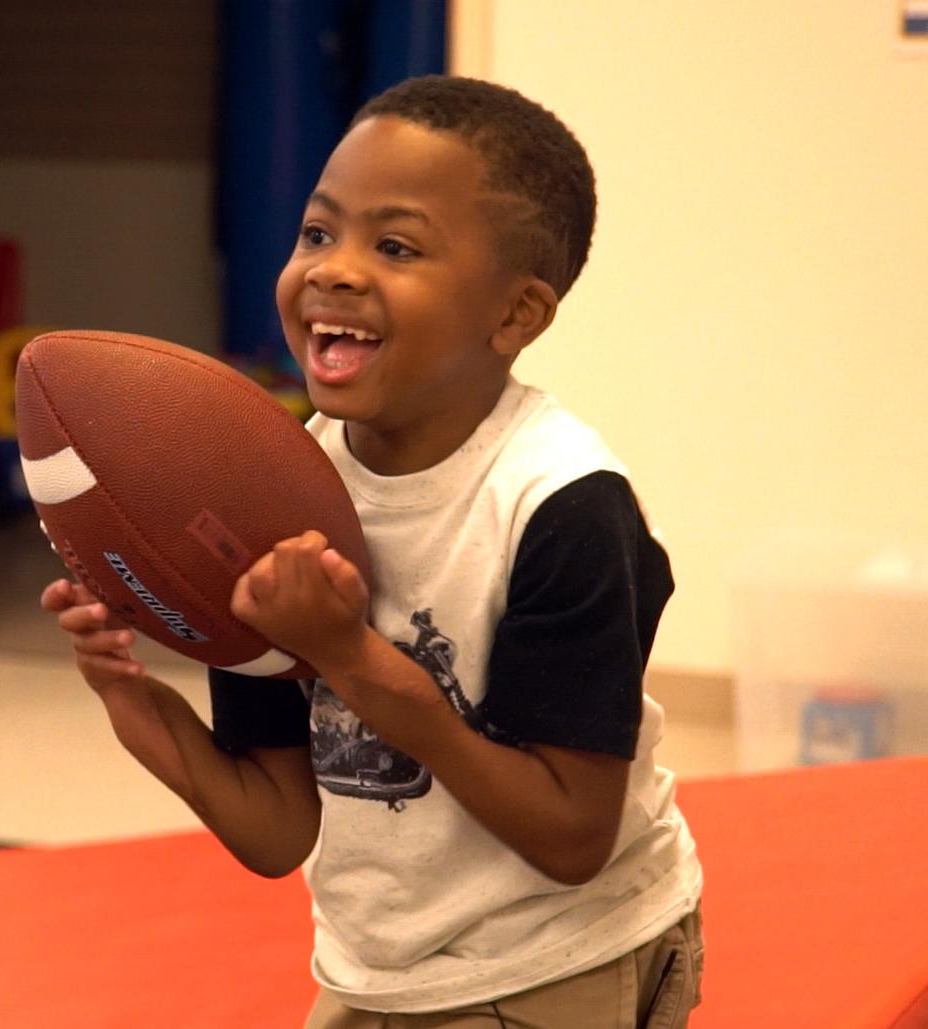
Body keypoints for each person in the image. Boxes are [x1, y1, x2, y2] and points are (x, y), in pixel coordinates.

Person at [42, 74, 704, 1028]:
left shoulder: (564, 508)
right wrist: (130, 697)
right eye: (318, 232)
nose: (334, 270)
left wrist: (348, 655)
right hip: (375, 973)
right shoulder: (265, 487)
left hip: (561, 962)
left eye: (394, 246)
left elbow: (571, 836)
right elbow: (276, 826)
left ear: (516, 315)